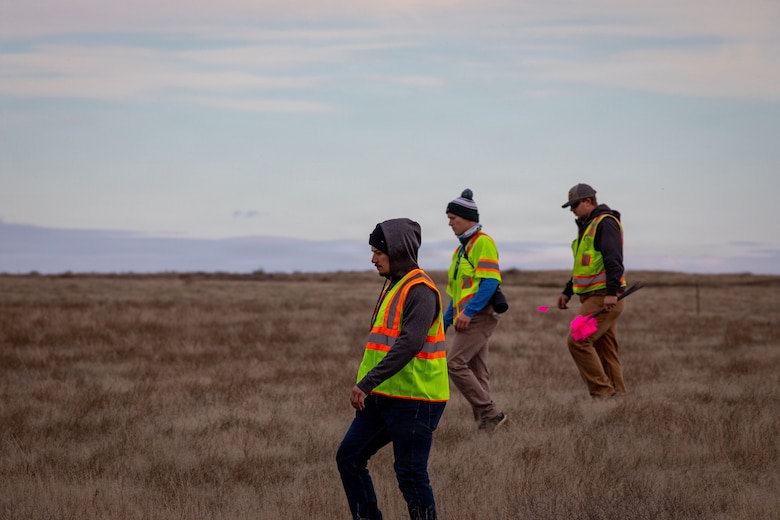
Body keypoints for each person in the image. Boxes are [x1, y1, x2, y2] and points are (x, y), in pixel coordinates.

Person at [336, 218, 448, 520]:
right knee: (349, 457)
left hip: (416, 399)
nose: (373, 259)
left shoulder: (421, 290)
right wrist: (372, 386)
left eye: (378, 252)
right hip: (383, 396)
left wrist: (366, 382)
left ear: (396, 250)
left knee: (411, 476)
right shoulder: (395, 287)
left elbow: (410, 344)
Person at [443, 189, 507, 432]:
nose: (450, 224)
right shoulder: (460, 251)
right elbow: (456, 294)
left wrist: (468, 313)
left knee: (455, 364)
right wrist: (444, 321)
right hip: (467, 316)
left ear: (468, 218)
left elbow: (490, 283)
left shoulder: (483, 243)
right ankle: (487, 426)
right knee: (478, 372)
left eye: (453, 219)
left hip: (478, 316)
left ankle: (492, 414)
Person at [557, 183, 628, 399]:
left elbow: (614, 260)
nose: (572, 210)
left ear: (589, 201)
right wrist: (567, 291)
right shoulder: (587, 227)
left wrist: (611, 292)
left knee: (577, 340)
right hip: (594, 296)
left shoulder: (605, 223)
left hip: (603, 296)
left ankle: (602, 393)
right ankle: (618, 399)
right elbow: (582, 266)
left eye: (575, 204)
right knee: (606, 351)